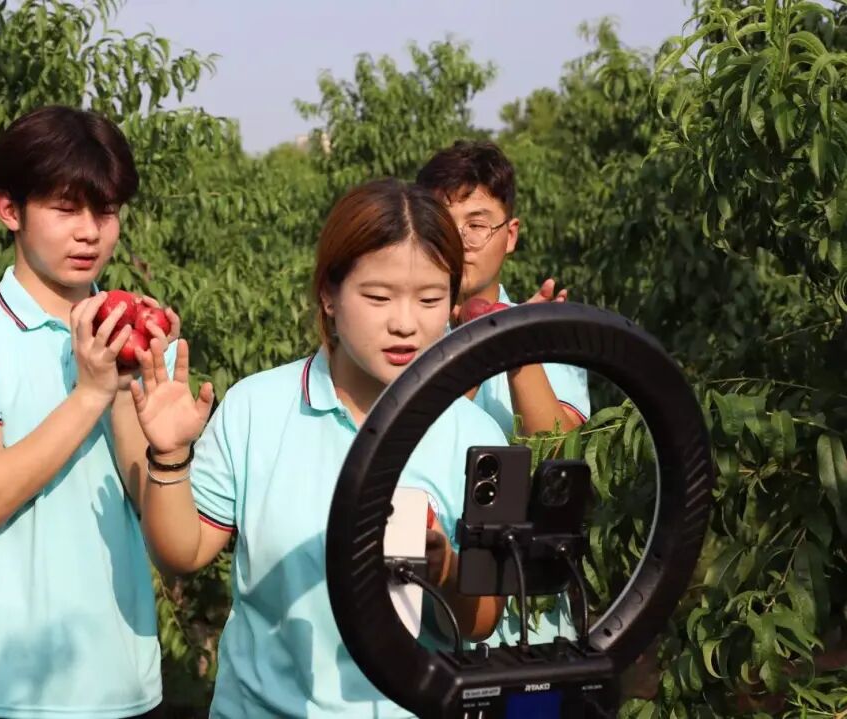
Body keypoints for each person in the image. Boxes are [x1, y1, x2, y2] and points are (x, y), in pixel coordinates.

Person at [128, 178, 545, 718]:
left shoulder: (475, 435)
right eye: (378, 297)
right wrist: (168, 455)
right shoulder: (258, 408)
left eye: (429, 299)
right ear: (329, 294)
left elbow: (483, 620)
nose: (405, 323)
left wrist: (443, 569)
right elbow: (182, 553)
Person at [0, 105, 176, 719]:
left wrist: (154, 419)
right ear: (9, 209)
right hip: (1, 690)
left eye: (105, 211)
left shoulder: (133, 333)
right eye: (65, 209)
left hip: (121, 686)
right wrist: (91, 393)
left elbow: (153, 509)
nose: (90, 233)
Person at [416, 141, 591, 436]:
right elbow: (410, 444)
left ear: (510, 236)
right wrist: (476, 346)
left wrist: (518, 345)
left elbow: (557, 451)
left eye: (476, 226)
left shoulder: (547, 331)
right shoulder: (400, 331)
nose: (458, 243)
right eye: (442, 227)